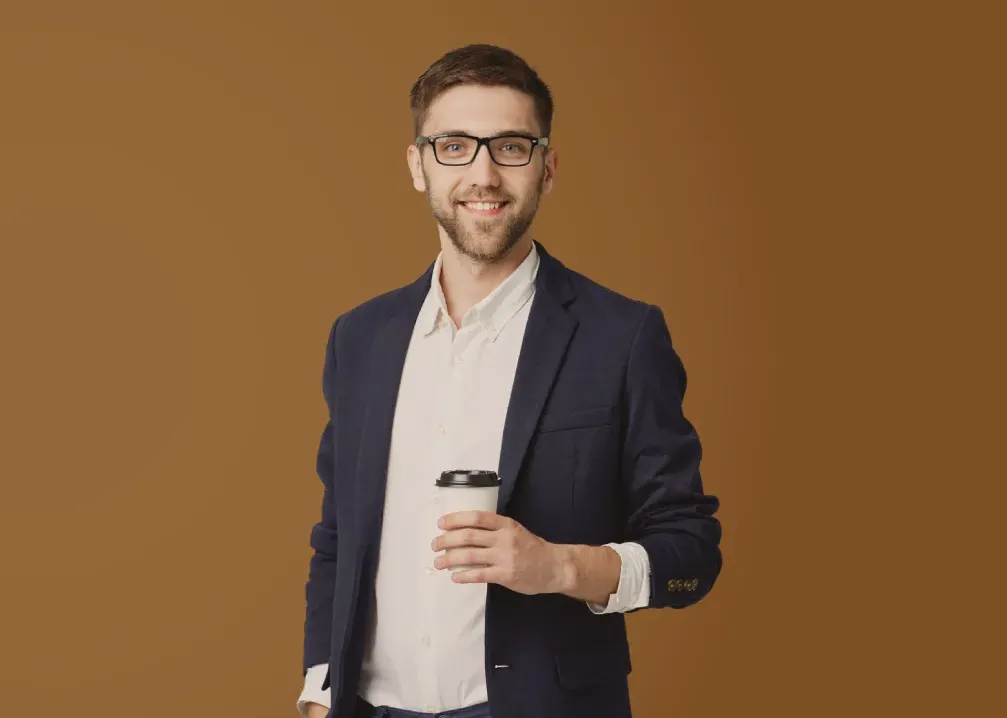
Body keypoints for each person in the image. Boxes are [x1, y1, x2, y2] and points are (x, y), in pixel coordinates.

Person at [295, 44, 722, 718]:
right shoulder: (360, 338)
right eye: (454, 147)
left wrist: (559, 568)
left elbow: (690, 551)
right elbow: (337, 536)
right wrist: (321, 691)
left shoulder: (622, 337)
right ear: (418, 166)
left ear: (547, 168)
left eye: (511, 147)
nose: (484, 175)